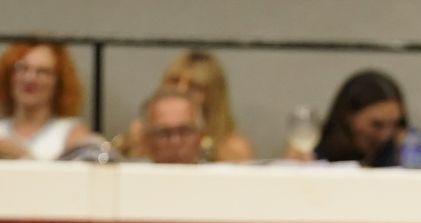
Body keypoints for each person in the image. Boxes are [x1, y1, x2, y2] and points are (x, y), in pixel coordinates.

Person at [119, 50, 253, 163]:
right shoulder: (139, 135)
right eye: (174, 81)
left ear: (214, 94)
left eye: (194, 86)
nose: (181, 90)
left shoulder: (234, 148)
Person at [0, 41, 100, 161]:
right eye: (22, 68)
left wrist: (25, 157)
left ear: (59, 82)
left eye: (42, 72)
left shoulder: (71, 133)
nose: (30, 78)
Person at [306, 69, 407, 166]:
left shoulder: (397, 153)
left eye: (395, 124)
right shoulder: (313, 155)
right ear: (348, 116)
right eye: (376, 124)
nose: (385, 135)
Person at [139, 90, 205, 166]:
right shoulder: (130, 173)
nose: (175, 142)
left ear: (200, 135)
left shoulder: (215, 172)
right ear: (146, 139)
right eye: (163, 133)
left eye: (184, 131)